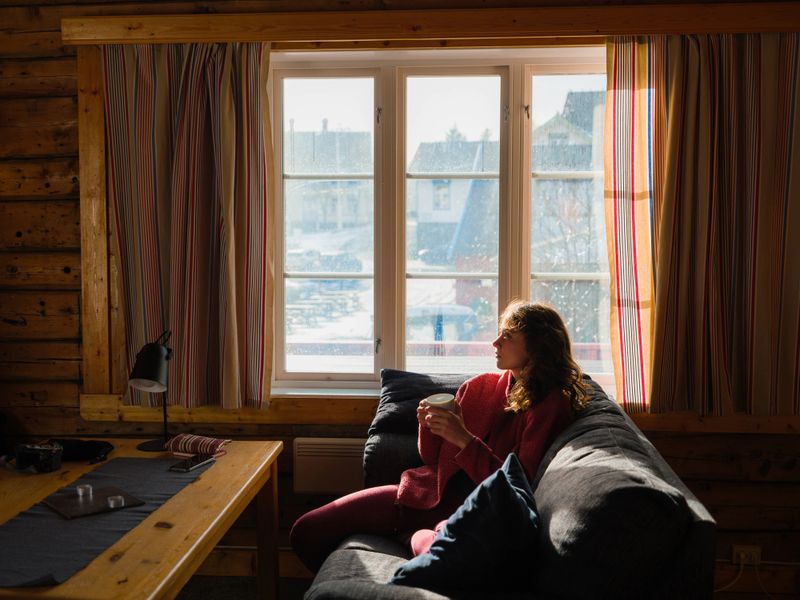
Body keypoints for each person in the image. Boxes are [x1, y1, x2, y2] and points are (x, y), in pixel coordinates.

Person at [289, 300, 588, 572]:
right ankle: (414, 537)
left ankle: (418, 539)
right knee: (306, 531)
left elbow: (516, 486)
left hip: (473, 511)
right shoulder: (480, 388)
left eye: (507, 336)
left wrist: (465, 440)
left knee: (446, 551)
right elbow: (432, 459)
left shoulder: (549, 405)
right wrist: (429, 428)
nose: (495, 342)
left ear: (536, 346)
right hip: (422, 495)